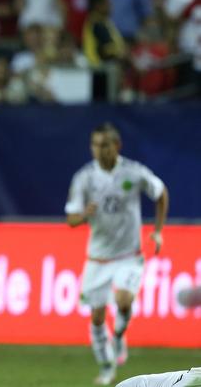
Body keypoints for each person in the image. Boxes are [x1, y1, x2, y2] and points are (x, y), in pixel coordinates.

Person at [65, 122, 169, 386]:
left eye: (104, 145)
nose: (99, 150)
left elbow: (161, 193)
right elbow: (71, 219)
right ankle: (107, 367)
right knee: (97, 318)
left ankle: (120, 335)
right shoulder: (84, 178)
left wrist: (157, 231)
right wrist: (83, 215)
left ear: (117, 146)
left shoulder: (133, 172)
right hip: (97, 258)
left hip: (128, 255)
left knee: (123, 300)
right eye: (95, 145)